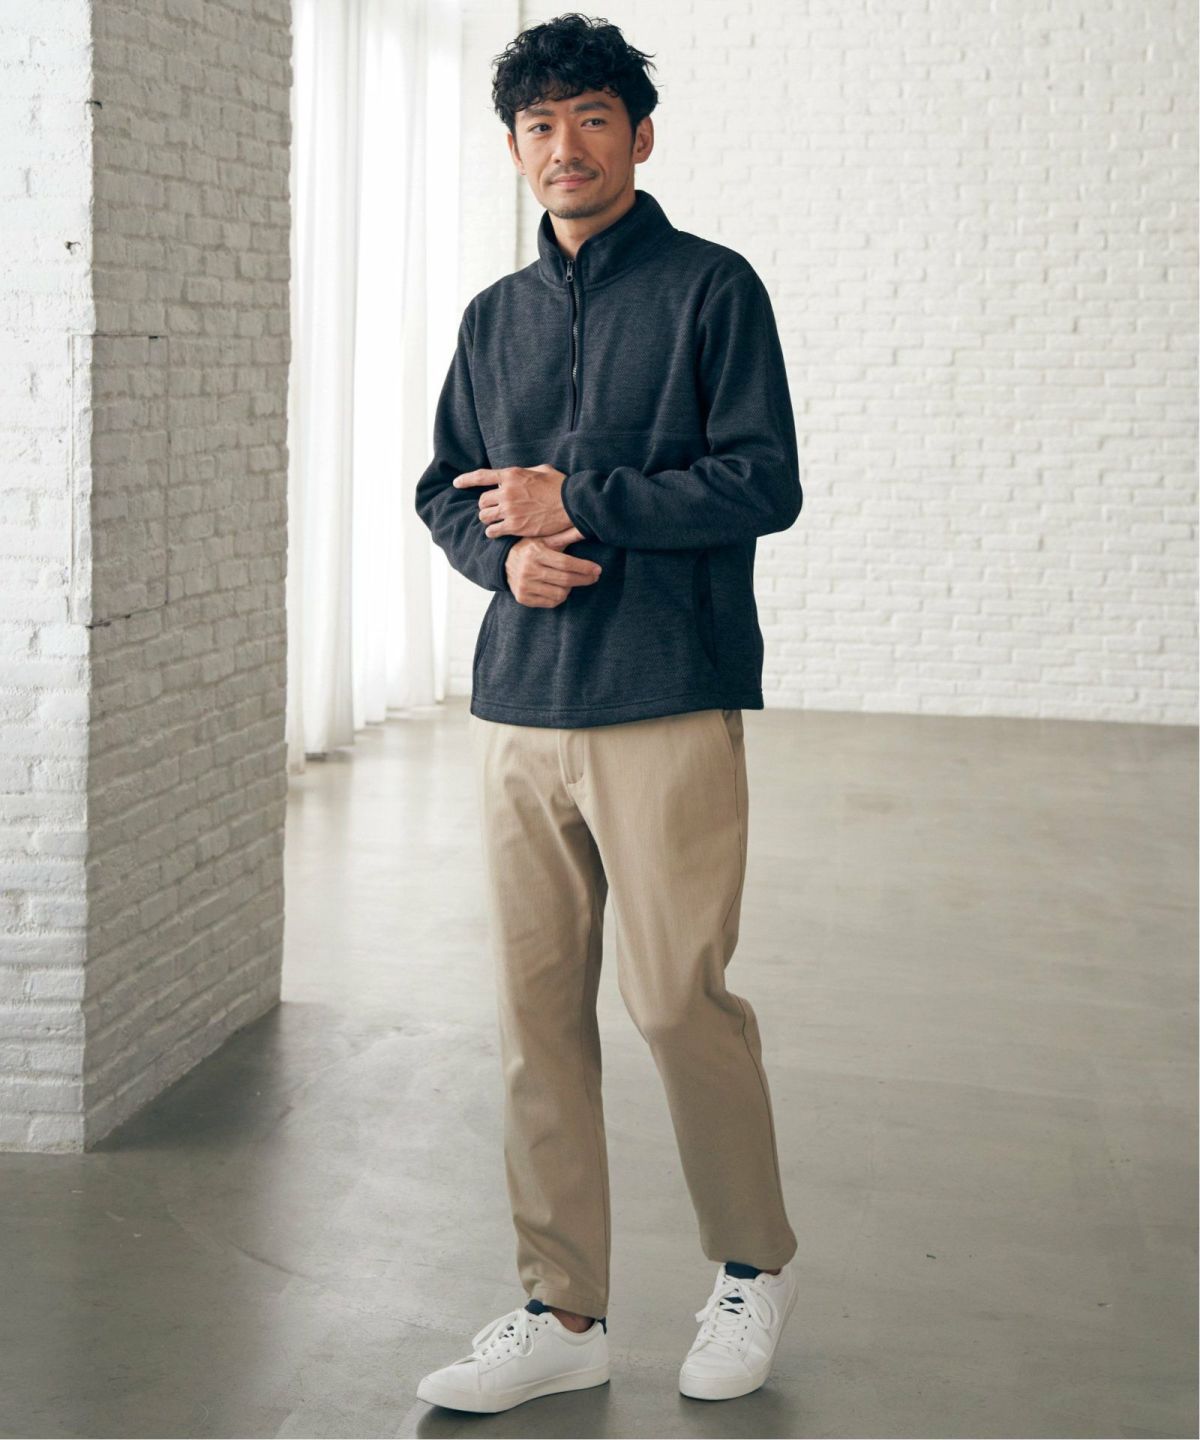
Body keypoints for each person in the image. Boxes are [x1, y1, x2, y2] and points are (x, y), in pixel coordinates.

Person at [413, 12, 803, 1414]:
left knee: (676, 999)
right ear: (516, 148)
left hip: (665, 694)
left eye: (590, 117)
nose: (563, 146)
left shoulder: (713, 289)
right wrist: (501, 562)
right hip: (521, 702)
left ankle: (751, 1269)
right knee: (534, 1016)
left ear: (639, 135)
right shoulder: (493, 318)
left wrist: (580, 499)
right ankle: (561, 1309)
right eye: (539, 125)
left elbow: (764, 482)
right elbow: (446, 490)